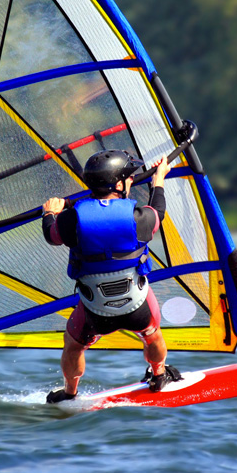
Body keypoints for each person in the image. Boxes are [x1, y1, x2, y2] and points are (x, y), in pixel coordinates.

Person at [42, 149, 181, 403]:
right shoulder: (136, 217)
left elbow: (51, 235)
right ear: (118, 184)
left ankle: (70, 393)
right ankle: (159, 374)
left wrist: (51, 212)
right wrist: (158, 179)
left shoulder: (72, 219)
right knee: (153, 333)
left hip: (95, 312)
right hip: (137, 307)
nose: (130, 181)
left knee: (73, 345)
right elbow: (157, 211)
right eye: (128, 178)